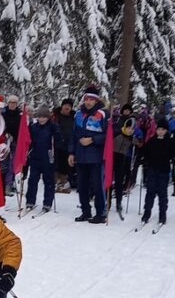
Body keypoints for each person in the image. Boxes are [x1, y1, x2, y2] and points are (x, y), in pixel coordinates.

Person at [69, 85, 108, 223]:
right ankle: (85, 211)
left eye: (91, 99)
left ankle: (100, 213)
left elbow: (108, 136)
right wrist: (71, 152)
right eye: (86, 99)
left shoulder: (102, 114)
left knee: (97, 186)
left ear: (96, 100)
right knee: (81, 186)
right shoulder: (78, 114)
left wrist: (92, 140)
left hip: (96, 156)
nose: (88, 102)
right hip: (80, 155)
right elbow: (73, 135)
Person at [134, 118, 175, 224]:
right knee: (150, 192)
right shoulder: (152, 140)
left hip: (163, 170)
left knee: (162, 193)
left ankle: (162, 213)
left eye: (163, 129)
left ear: (166, 130)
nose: (160, 131)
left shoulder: (169, 141)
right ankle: (147, 212)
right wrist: (142, 158)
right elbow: (145, 151)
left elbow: (173, 153)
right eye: (159, 129)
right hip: (152, 169)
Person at [25, 106, 62, 213]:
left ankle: (47, 203)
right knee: (32, 180)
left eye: (44, 117)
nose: (42, 119)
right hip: (35, 157)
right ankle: (30, 201)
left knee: (48, 181)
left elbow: (58, 141)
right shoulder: (34, 127)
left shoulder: (52, 127)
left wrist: (57, 134)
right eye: (40, 117)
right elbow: (28, 140)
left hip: (48, 157)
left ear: (48, 117)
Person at [111, 104, 136, 215]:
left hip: (122, 158)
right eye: (128, 128)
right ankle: (107, 202)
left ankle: (119, 203)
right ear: (125, 126)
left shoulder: (131, 137)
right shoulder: (117, 133)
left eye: (132, 129)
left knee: (119, 182)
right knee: (108, 180)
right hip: (112, 156)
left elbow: (139, 143)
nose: (130, 130)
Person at [53, 98, 76, 191]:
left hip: (68, 145)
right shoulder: (56, 116)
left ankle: (63, 181)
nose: (67, 107)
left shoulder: (73, 117)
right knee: (56, 163)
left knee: (65, 165)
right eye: (65, 105)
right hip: (56, 144)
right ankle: (56, 181)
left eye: (69, 106)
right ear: (62, 106)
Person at [1, 95, 22, 196]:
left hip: (16, 142)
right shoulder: (3, 113)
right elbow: (0, 126)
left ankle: (9, 184)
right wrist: (5, 133)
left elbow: (22, 128)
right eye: (11, 102)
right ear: (8, 103)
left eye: (14, 103)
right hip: (5, 141)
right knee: (4, 163)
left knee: (13, 164)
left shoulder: (20, 114)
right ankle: (3, 185)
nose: (12, 104)